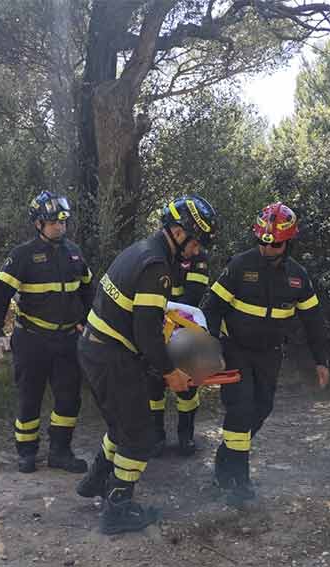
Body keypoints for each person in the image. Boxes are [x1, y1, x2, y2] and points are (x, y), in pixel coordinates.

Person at [75, 195, 218, 534]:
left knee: (121, 424)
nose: (197, 251)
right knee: (139, 436)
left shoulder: (141, 250)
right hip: (111, 356)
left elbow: (143, 321)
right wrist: (171, 373)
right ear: (179, 232)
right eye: (196, 242)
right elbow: (147, 332)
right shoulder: (157, 266)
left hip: (97, 350)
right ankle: (118, 509)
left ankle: (96, 480)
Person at [202, 202, 330, 505]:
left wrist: (321, 361)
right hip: (236, 351)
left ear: (288, 243)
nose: (267, 249)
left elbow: (313, 320)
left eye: (274, 245)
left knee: (261, 409)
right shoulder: (239, 265)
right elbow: (212, 307)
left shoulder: (298, 276)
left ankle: (225, 461)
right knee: (241, 409)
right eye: (262, 242)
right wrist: (211, 345)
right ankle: (239, 480)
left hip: (270, 355)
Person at [0, 191, 93, 474]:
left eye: (63, 222)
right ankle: (27, 452)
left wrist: (88, 321)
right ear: (38, 224)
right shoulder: (22, 255)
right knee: (29, 398)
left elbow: (87, 291)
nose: (60, 227)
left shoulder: (75, 252)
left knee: (69, 398)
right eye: (53, 222)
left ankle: (60, 451)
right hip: (31, 340)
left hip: (68, 340)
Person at [148, 217, 212, 457]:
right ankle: (156, 437)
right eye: (194, 244)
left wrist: (168, 310)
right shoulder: (157, 255)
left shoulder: (199, 259)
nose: (196, 249)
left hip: (184, 325)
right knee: (153, 386)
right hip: (155, 325)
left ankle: (186, 436)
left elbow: (194, 295)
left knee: (187, 388)